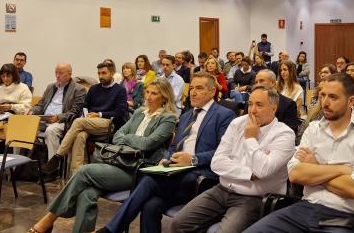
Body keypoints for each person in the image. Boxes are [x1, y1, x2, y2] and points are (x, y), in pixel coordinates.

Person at [28, 78, 178, 233]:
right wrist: (133, 140)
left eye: (154, 94)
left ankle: (49, 219)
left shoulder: (168, 118)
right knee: (86, 194)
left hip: (136, 170)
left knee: (84, 171)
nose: (148, 97)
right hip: (118, 162)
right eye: (147, 92)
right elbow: (117, 135)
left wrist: (128, 139)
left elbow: (148, 144)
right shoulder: (140, 112)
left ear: (164, 97)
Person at [94, 72, 235, 233]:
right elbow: (174, 147)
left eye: (200, 88)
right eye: (192, 88)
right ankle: (114, 229)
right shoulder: (187, 115)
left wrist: (193, 160)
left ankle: (111, 230)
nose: (193, 92)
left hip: (201, 177)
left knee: (148, 180)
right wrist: (165, 159)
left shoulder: (224, 115)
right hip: (176, 174)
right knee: (150, 205)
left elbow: (223, 152)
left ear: (212, 92)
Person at [244, 73, 354, 232]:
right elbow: (295, 175)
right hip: (305, 209)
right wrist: (341, 170)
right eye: (322, 95)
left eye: (333, 97)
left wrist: (315, 167)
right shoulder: (313, 129)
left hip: (346, 216)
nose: (325, 102)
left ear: (351, 101)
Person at [171, 85, 295, 233]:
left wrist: (250, 138)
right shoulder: (238, 123)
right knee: (179, 224)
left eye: (259, 105)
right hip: (222, 189)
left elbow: (263, 170)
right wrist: (249, 174)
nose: (252, 110)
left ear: (274, 108)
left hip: (254, 197)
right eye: (250, 104)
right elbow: (217, 162)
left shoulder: (284, 134)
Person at [42, 62, 128, 174]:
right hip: (89, 121)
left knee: (78, 122)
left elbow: (120, 113)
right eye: (99, 73)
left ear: (112, 73)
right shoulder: (94, 88)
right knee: (79, 136)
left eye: (104, 73)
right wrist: (86, 113)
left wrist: (99, 114)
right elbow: (85, 106)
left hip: (108, 123)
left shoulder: (120, 90)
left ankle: (58, 156)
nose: (101, 76)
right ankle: (75, 173)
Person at [29, 63, 86, 160]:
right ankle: (18, 166)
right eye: (56, 72)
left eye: (61, 73)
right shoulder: (50, 87)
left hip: (62, 122)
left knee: (51, 130)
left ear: (69, 74)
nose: (57, 75)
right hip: (43, 120)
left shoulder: (79, 89)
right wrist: (32, 111)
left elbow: (75, 112)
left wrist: (58, 117)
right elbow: (41, 104)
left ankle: (52, 166)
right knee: (22, 126)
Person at [0, 63, 32, 131]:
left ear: (14, 76)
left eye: (8, 76)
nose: (5, 78)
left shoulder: (23, 88)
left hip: (16, 118)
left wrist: (11, 107)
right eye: (3, 76)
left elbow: (27, 107)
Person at [255, 69, 300, 135]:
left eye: (261, 81)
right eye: (256, 82)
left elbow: (290, 131)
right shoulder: (252, 102)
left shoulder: (288, 104)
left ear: (273, 83)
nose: (258, 85)